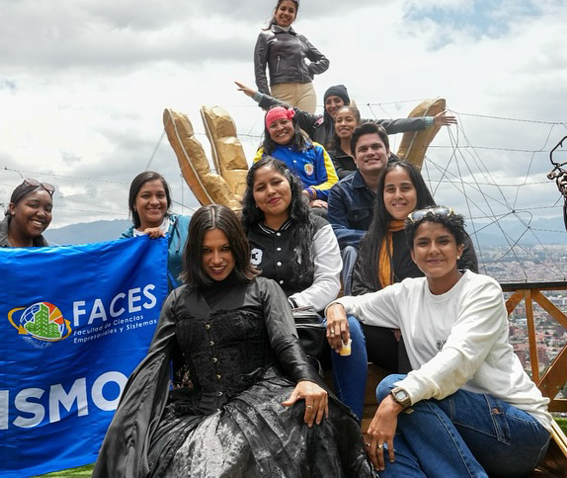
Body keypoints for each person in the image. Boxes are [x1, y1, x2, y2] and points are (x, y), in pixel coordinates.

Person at [93, 204, 374, 477]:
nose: (217, 259)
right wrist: (127, 423)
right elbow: (154, 363)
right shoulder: (178, 300)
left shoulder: (264, 289)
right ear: (194, 253)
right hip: (197, 411)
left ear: (238, 248)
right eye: (207, 251)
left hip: (262, 403)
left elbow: (286, 342)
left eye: (224, 248)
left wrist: (307, 379)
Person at [325, 208, 551, 476]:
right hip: (452, 432)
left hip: (518, 431)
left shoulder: (482, 290)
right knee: (386, 452)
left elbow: (458, 357)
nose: (433, 250)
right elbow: (355, 304)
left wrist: (394, 400)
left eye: (443, 241)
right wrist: (335, 308)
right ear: (412, 254)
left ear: (459, 249)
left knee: (391, 387)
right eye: (423, 243)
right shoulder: (407, 294)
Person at [242, 156, 368, 418]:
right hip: (258, 324)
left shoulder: (317, 226)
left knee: (350, 329)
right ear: (253, 197)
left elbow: (329, 282)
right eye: (261, 187)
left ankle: (351, 422)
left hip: (308, 322)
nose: (270, 192)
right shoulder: (242, 233)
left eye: (276, 182)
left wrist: (288, 305)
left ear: (290, 184)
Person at [352, 161, 478, 373]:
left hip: (443, 325)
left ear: (418, 191)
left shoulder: (445, 231)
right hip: (388, 330)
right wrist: (394, 317)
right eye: (390, 189)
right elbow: (360, 288)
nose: (398, 195)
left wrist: (410, 317)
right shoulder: (372, 241)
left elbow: (465, 280)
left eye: (406, 188)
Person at [235, 81, 456, 148]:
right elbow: (283, 107)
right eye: (328, 102)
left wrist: (430, 121)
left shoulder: (358, 124)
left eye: (337, 101)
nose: (332, 106)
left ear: (346, 103)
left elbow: (393, 124)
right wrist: (257, 96)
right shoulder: (316, 122)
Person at [327, 122, 394, 294]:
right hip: (362, 258)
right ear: (355, 159)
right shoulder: (340, 191)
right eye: (363, 149)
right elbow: (335, 232)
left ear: (388, 152)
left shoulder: (406, 185)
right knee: (349, 251)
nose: (370, 153)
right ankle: (353, 305)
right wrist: (376, 238)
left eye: (376, 147)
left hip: (401, 253)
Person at [253, 105, 338, 218]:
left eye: (284, 122)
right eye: (273, 125)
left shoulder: (316, 150)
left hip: (316, 209)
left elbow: (333, 183)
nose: (279, 128)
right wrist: (299, 201)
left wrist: (309, 194)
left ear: (293, 123)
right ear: (268, 132)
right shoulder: (263, 155)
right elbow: (257, 188)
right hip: (279, 211)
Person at [253, 0, 329, 113]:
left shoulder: (300, 38)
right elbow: (259, 69)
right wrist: (265, 97)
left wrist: (308, 69)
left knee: (305, 130)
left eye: (291, 11)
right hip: (281, 90)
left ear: (295, 16)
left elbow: (324, 61)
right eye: (283, 9)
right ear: (275, 11)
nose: (286, 13)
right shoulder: (265, 36)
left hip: (306, 90)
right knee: (282, 129)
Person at [120, 171, 190, 291]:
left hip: (190, 307)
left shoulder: (187, 226)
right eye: (146, 196)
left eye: (160, 195)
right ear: (134, 204)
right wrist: (144, 243)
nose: (154, 202)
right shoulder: (125, 243)